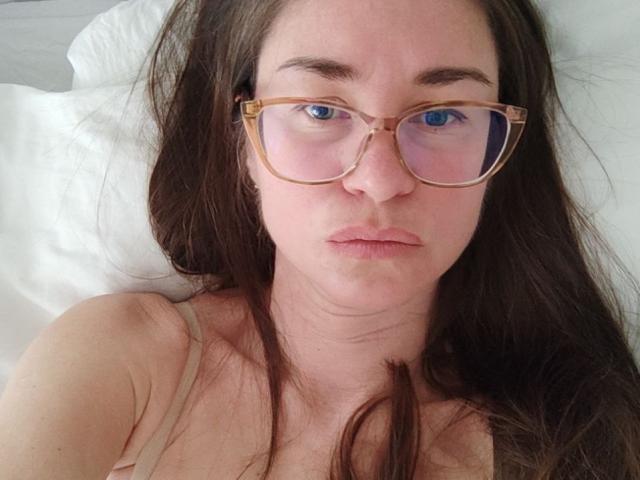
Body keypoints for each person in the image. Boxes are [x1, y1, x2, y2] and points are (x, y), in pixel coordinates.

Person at [1, 0, 639, 478]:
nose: (380, 181)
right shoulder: (125, 361)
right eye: (320, 110)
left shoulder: (580, 434)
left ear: (500, 154)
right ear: (243, 137)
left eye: (442, 115)